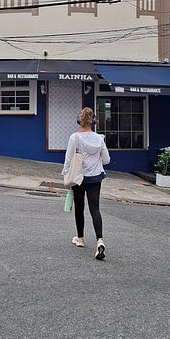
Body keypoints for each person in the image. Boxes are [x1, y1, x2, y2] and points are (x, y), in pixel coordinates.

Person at [61, 107, 111, 260]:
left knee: (79, 208)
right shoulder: (99, 138)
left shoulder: (75, 137)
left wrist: (65, 174)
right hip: (95, 177)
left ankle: (80, 238)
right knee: (95, 209)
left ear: (80, 121)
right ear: (93, 122)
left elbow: (69, 159)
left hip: (79, 177)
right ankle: (100, 240)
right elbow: (107, 159)